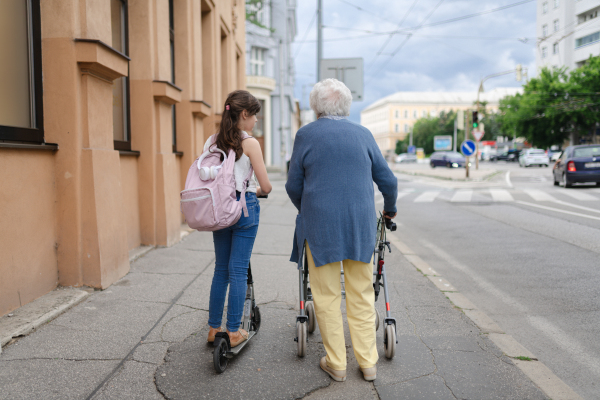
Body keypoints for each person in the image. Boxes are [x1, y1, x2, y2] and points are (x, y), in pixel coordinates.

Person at [286, 79, 397, 382]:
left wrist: (306, 208)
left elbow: (293, 185)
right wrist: (390, 209)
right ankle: (368, 363)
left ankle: (336, 363)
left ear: (316, 107)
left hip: (320, 226)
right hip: (360, 226)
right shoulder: (363, 135)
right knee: (361, 293)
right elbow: (388, 181)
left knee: (325, 294)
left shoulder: (306, 135)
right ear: (346, 106)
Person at [206, 90, 272, 347]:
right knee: (238, 270)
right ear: (244, 114)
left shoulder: (211, 142)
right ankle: (233, 331)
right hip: (244, 210)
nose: (256, 120)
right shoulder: (250, 143)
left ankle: (213, 329)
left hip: (219, 211)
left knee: (221, 269)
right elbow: (265, 186)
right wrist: (254, 190)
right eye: (254, 115)